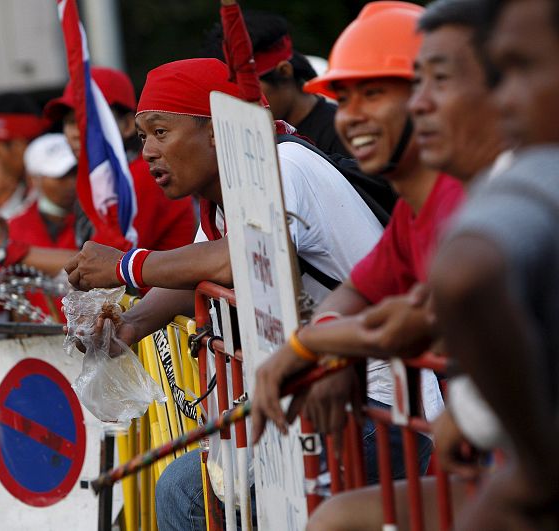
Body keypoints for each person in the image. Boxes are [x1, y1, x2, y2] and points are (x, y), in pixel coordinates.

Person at [64, 57, 383, 531]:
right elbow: (197, 269)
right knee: (189, 488)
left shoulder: (281, 164)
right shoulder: (225, 186)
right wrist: (129, 326)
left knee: (187, 494)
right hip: (313, 400)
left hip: (376, 406)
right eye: (144, 135)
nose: (148, 151)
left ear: (215, 131)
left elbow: (238, 257)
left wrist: (126, 265)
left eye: (161, 132)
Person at [252, 1, 451, 486]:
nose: (350, 116)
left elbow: (408, 323)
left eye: (374, 93)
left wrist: (310, 345)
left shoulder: (464, 199)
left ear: (430, 98)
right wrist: (333, 353)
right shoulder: (412, 210)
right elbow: (358, 293)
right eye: (344, 96)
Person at [430, 0, 559, 526]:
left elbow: (462, 276)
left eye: (521, 68)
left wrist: (537, 467)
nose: (502, 99)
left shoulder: (537, 174)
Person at [44, 65, 197, 252]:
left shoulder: (142, 174)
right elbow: (71, 254)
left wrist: (10, 249)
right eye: (70, 122)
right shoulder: (98, 180)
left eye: (88, 120)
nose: (76, 132)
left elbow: (100, 264)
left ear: (126, 125)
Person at [200, 9, 351, 156]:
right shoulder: (250, 141)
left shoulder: (341, 132)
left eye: (246, 87)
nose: (238, 101)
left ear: (284, 71)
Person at [0, 133, 78, 318]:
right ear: (34, 179)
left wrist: (7, 251)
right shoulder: (15, 228)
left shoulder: (97, 218)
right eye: (60, 176)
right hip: (42, 342)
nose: (71, 183)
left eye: (75, 173)